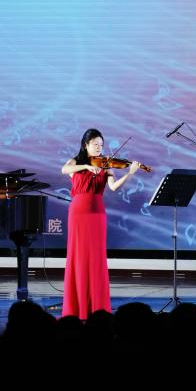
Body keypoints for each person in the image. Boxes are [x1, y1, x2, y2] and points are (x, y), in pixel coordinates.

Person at [61, 128, 140, 319]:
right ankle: (77, 308)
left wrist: (130, 174)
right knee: (78, 257)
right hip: (78, 213)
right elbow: (64, 170)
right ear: (85, 145)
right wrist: (86, 167)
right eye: (95, 144)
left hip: (97, 213)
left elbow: (113, 187)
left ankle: (97, 308)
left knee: (96, 259)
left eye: (101, 145)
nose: (99, 148)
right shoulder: (75, 162)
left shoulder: (105, 165)